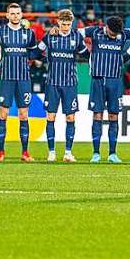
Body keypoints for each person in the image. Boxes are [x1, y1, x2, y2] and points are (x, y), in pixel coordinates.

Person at [84, 15, 130, 163]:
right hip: (98, 80)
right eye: (113, 33)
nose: (115, 36)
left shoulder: (123, 33)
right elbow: (76, 33)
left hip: (115, 81)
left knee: (114, 116)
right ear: (106, 27)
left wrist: (129, 52)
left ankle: (112, 153)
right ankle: (96, 153)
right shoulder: (95, 32)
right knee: (97, 116)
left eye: (117, 34)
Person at [38, 9, 87, 163]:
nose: (66, 27)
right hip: (52, 83)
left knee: (70, 117)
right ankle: (51, 152)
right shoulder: (49, 36)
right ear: (58, 22)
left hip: (70, 84)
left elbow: (87, 54)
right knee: (50, 117)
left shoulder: (76, 36)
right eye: (63, 24)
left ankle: (68, 152)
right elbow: (37, 52)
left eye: (68, 24)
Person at [0, 3, 38, 162]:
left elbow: (34, 51)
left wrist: (32, 59)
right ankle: (0, 152)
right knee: (3, 114)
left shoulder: (29, 32)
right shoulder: (0, 32)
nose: (15, 16)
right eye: (12, 13)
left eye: (18, 13)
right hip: (6, 78)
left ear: (22, 15)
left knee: (23, 115)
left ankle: (25, 152)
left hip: (23, 78)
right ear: (7, 15)